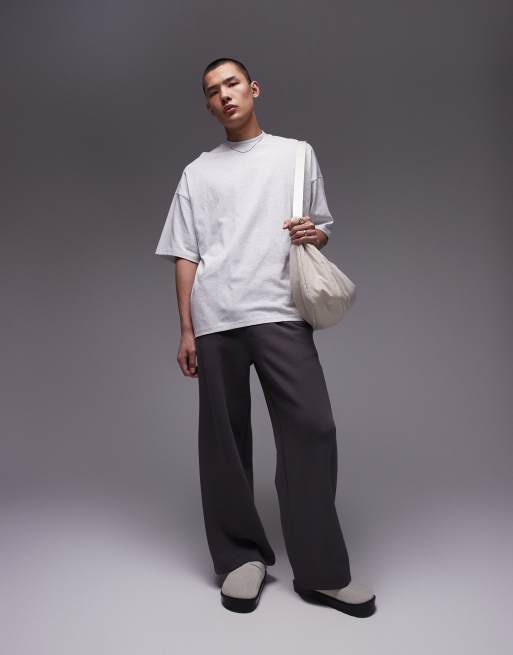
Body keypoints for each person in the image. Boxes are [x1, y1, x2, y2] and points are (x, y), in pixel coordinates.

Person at [155, 57, 376, 617]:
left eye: (232, 83)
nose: (224, 95)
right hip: (216, 317)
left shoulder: (296, 154)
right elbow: (185, 253)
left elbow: (320, 226)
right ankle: (240, 559)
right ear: (209, 106)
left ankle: (321, 572)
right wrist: (186, 327)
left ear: (253, 88)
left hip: (280, 311)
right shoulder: (197, 173)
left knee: (312, 429)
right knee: (224, 444)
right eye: (212, 91)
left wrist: (314, 235)